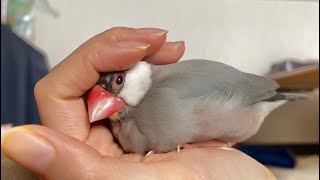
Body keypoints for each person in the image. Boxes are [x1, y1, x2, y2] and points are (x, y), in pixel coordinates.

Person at [1, 27, 276, 179]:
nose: (106, 101)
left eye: (118, 82)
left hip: (253, 103)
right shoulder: (120, 132)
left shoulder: (167, 92)